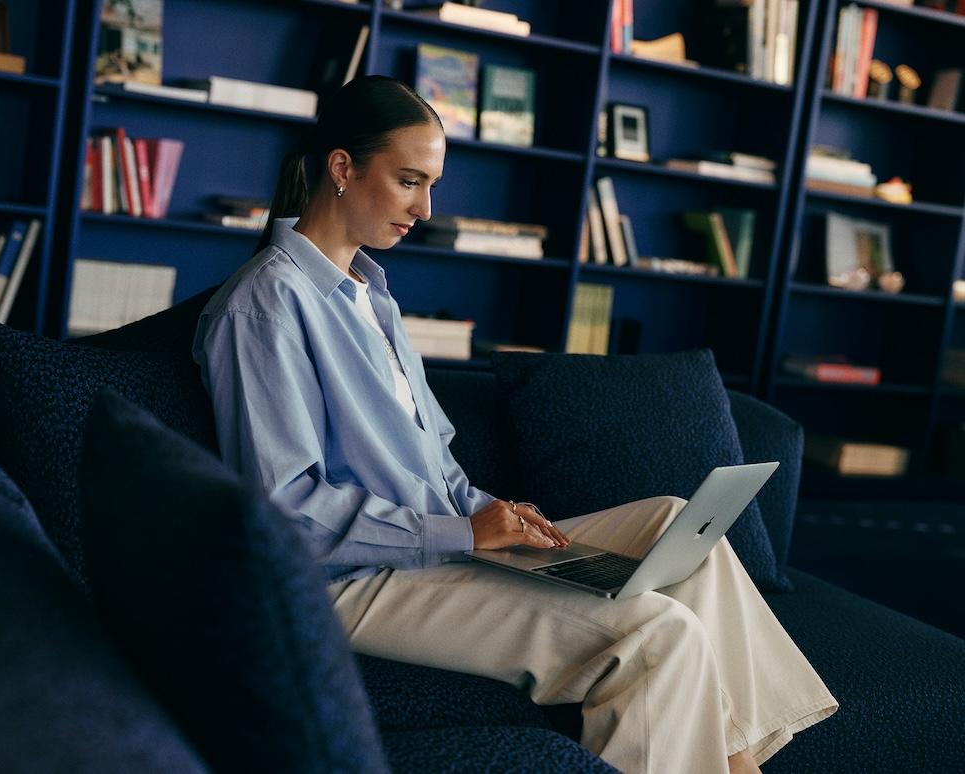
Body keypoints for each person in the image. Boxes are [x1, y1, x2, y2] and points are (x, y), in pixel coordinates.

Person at [193, 75, 837, 774]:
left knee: (680, 529)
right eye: (410, 180)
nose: (425, 206)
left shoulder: (370, 295)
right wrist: (462, 533)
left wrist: (488, 512)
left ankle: (738, 763)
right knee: (656, 633)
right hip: (352, 579)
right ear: (342, 167)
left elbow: (435, 460)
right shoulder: (262, 308)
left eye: (431, 184)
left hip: (440, 541)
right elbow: (284, 508)